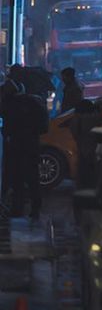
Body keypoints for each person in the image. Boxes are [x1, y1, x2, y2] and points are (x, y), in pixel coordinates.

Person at [1, 78, 49, 218]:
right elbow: (42, 127)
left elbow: (7, 125)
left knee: (17, 180)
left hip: (15, 146)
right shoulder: (33, 102)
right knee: (33, 178)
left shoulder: (10, 104)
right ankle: (35, 208)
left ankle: (17, 209)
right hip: (32, 145)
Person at [66, 98, 102, 190]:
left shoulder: (74, 120)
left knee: (83, 176)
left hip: (82, 151)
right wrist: (101, 102)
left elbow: (75, 134)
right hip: (93, 152)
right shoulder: (92, 119)